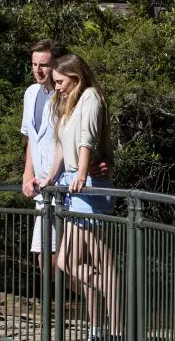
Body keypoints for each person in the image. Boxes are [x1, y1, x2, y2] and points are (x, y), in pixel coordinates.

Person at [37, 54, 120, 341]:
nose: (56, 87)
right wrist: (49, 177)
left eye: (60, 81)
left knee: (102, 262)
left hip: (89, 190)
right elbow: (61, 144)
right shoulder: (68, 103)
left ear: (75, 76)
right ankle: (111, 296)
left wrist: (82, 174)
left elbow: (88, 139)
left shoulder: (91, 97)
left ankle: (117, 329)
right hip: (74, 191)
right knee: (65, 263)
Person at [21, 40, 110, 268]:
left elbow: (88, 136)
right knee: (49, 262)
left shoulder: (76, 96)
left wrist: (97, 164)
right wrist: (27, 173)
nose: (38, 70)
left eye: (44, 64)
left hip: (70, 185)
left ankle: (105, 298)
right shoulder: (31, 93)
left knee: (75, 260)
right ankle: (101, 299)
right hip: (47, 187)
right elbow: (32, 136)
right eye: (33, 64)